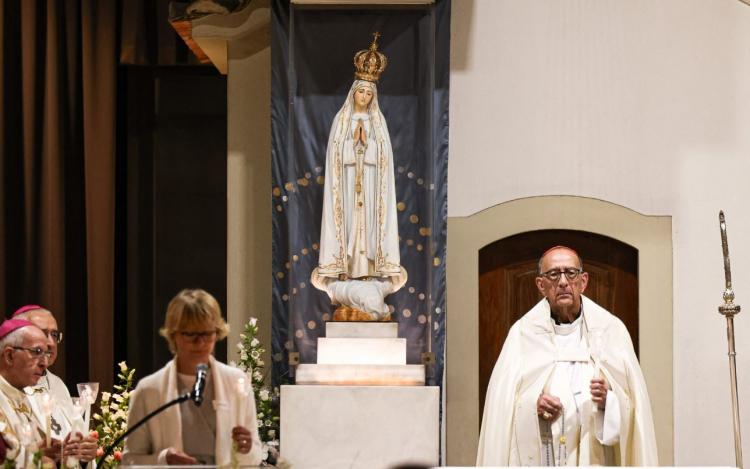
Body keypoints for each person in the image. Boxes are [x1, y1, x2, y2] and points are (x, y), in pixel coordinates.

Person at [477, 246, 658, 466]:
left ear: (583, 281)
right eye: (553, 274)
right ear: (541, 285)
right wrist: (533, 404)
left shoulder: (611, 330)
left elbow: (634, 407)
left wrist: (608, 401)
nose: (563, 281)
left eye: (570, 273)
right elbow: (502, 408)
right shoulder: (522, 334)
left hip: (595, 458)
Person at [311, 33, 407, 320]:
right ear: (353, 93)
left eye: (368, 94)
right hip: (349, 192)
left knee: (369, 230)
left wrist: (369, 145)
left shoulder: (378, 123)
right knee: (351, 229)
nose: (364, 97)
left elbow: (385, 160)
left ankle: (369, 274)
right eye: (360, 92)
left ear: (373, 96)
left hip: (370, 186)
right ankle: (349, 272)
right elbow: (335, 160)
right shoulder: (342, 121)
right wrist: (353, 147)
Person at [123, 288, 262, 466]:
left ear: (218, 332)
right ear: (173, 335)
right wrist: (163, 459)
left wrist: (247, 448)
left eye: (207, 333)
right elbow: (129, 461)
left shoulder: (237, 382)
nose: (200, 342)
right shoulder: (149, 389)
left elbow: (255, 456)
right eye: (190, 334)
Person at [12, 305, 99, 463]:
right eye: (43, 333)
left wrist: (84, 453)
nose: (51, 343)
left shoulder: (57, 384)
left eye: (54, 335)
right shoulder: (11, 384)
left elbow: (75, 442)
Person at [0, 318, 56, 466]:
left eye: (46, 354)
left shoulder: (28, 396)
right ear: (9, 355)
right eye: (37, 352)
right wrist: (37, 457)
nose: (44, 363)